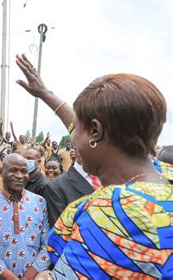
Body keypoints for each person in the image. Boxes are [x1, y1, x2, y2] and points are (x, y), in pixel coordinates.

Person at [14, 53, 172, 279]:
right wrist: (46, 95)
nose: (73, 138)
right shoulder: (164, 176)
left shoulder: (112, 213)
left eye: (76, 129)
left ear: (96, 131)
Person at [0, 153, 51, 279]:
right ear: (1, 172)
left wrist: (28, 276)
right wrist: (11, 277)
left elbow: (47, 246)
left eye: (24, 171)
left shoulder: (39, 203)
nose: (19, 176)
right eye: (13, 170)